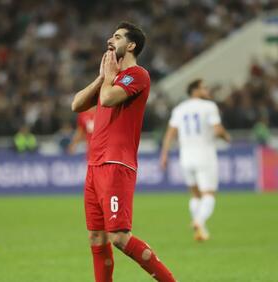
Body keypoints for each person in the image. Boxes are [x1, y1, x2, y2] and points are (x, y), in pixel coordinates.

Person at [71, 22, 176, 282]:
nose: (110, 39)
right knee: (96, 236)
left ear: (131, 45)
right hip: (95, 166)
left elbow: (107, 99)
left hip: (117, 164)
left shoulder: (138, 75)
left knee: (118, 237)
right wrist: (102, 76)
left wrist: (108, 79)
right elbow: (76, 104)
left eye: (117, 37)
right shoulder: (110, 78)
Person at [160, 79, 231, 241]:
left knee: (195, 195)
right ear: (194, 90)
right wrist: (226, 137)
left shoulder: (179, 109)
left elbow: (170, 133)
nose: (207, 90)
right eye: (203, 88)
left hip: (185, 157)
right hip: (205, 155)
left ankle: (201, 230)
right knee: (209, 194)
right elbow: (218, 130)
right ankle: (199, 221)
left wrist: (164, 154)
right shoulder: (209, 107)